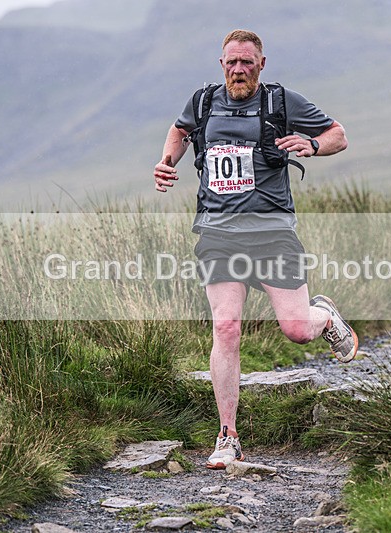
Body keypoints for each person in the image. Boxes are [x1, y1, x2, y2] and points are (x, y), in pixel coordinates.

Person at [153, 29, 358, 469]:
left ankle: (322, 316)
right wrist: (167, 162)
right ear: (221, 63)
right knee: (226, 328)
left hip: (271, 234)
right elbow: (179, 130)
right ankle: (227, 436)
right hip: (218, 233)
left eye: (247, 62)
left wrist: (314, 145)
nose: (239, 69)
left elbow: (338, 134)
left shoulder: (282, 103)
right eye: (232, 62)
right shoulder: (204, 102)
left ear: (261, 64)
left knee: (297, 330)